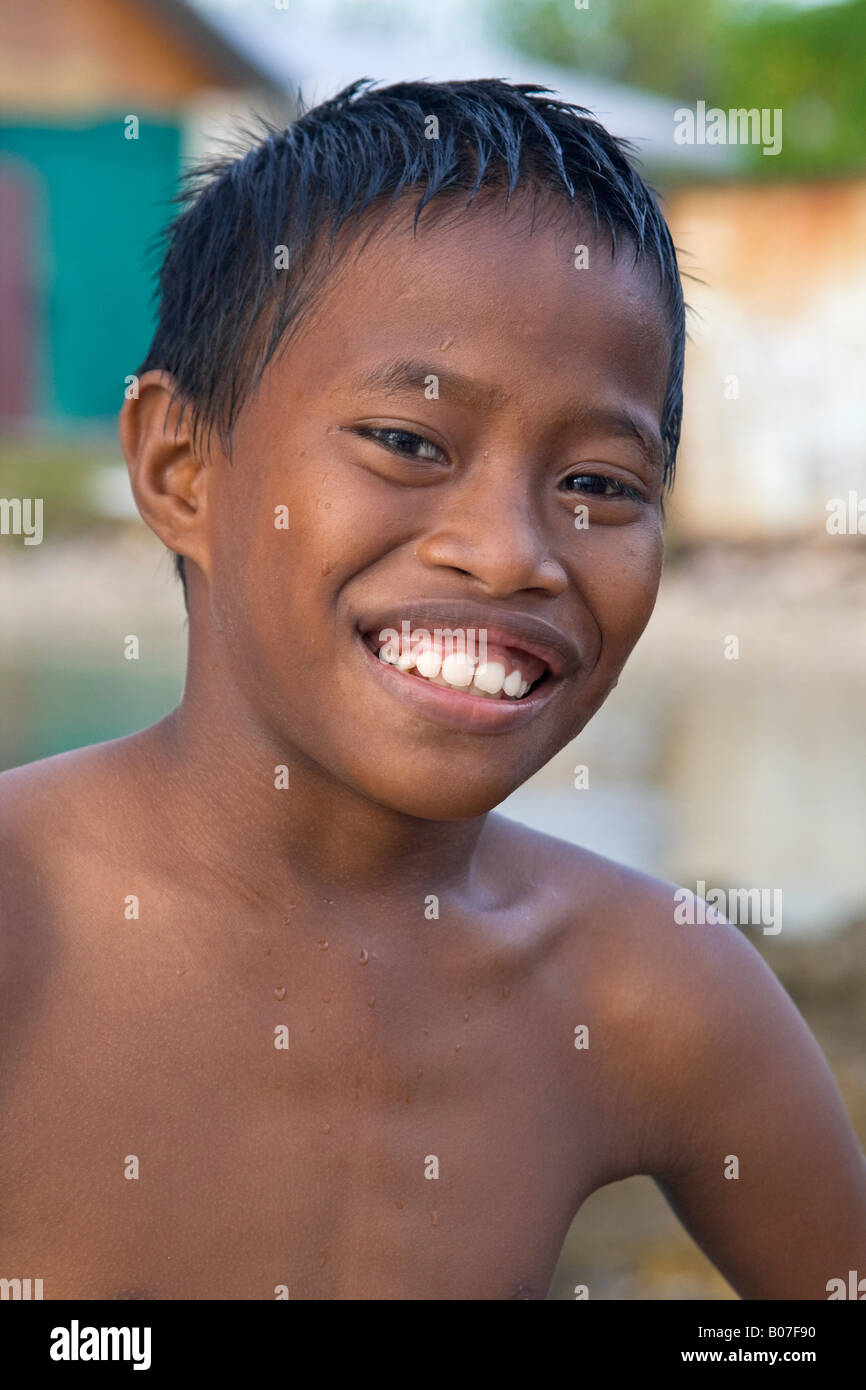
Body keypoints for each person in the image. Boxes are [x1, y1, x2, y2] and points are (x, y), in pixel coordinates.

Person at [1, 79, 864, 1300]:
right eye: (407, 443)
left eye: (601, 485)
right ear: (181, 469)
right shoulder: (26, 930)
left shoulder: (646, 990)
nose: (513, 549)